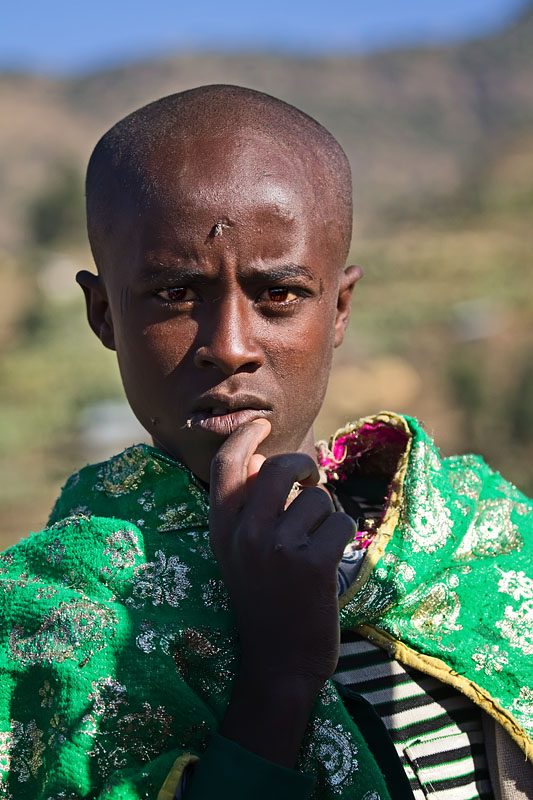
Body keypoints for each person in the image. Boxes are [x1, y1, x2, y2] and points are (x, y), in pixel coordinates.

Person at [0, 84, 531, 800]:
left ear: (337, 309)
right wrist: (278, 672)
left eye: (278, 294)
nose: (229, 346)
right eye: (174, 294)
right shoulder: (55, 617)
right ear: (103, 314)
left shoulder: (484, 540)